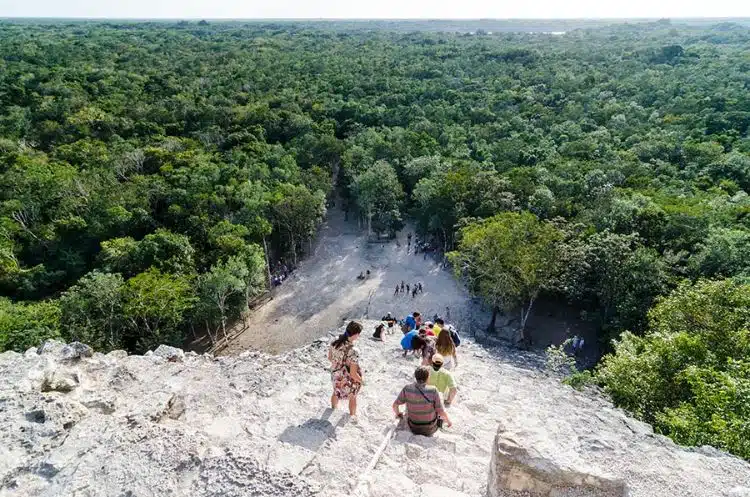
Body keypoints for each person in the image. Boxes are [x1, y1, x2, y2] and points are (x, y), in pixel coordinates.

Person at [393, 366, 452, 436]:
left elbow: (395, 405)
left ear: (415, 376)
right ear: (427, 377)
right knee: (440, 395)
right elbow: (440, 411)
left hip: (413, 427)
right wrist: (448, 421)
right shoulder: (433, 390)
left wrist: (398, 414)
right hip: (430, 429)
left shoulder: (407, 388)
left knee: (408, 402)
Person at [328, 321, 364, 420]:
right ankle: (352, 416)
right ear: (356, 334)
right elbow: (353, 373)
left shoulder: (335, 341)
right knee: (352, 396)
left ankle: (333, 408)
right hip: (346, 377)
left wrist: (338, 362)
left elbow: (330, 358)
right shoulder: (354, 351)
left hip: (335, 373)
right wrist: (362, 381)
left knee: (335, 391)